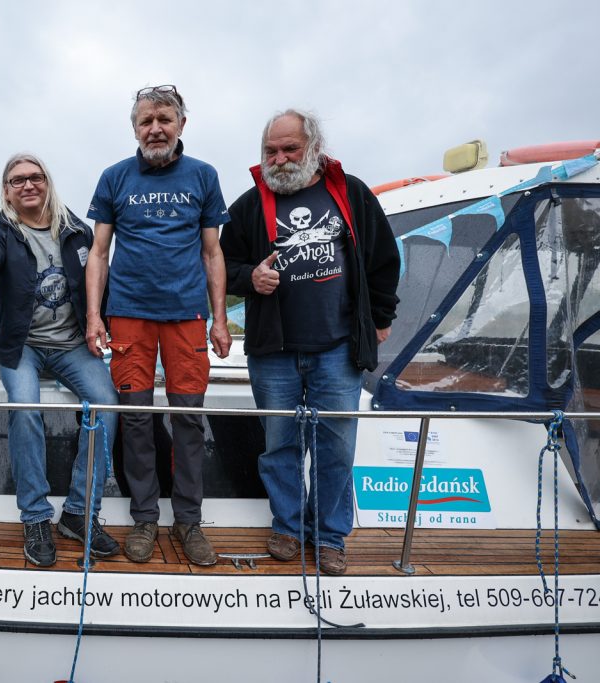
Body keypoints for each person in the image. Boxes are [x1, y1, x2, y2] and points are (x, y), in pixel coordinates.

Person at [219, 109, 401, 575]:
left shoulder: (351, 193)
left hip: (338, 348)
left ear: (314, 148)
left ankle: (329, 537)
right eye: (271, 151)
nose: (279, 159)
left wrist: (381, 317)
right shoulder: (246, 206)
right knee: (279, 446)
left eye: (289, 149)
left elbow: (383, 258)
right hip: (273, 351)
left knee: (335, 448)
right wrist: (249, 277)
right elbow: (220, 265)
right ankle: (287, 527)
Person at [84, 85, 232, 566]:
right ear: (134, 129)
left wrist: (220, 320)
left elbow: (212, 252)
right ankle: (145, 517)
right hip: (128, 316)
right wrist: (94, 316)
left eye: (164, 119)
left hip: (187, 317)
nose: (155, 129)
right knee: (136, 420)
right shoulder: (114, 177)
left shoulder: (203, 176)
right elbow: (98, 254)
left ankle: (188, 520)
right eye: (146, 121)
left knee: (188, 419)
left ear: (181, 124)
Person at [0, 153, 119, 568]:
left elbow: (100, 279)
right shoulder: (3, 233)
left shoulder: (77, 231)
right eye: (17, 180)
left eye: (35, 177)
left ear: (47, 182)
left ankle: (79, 513)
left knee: (107, 405)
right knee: (26, 408)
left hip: (71, 344)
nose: (28, 185)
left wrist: (104, 324)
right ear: (6, 191)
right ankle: (36, 517)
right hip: (21, 345)